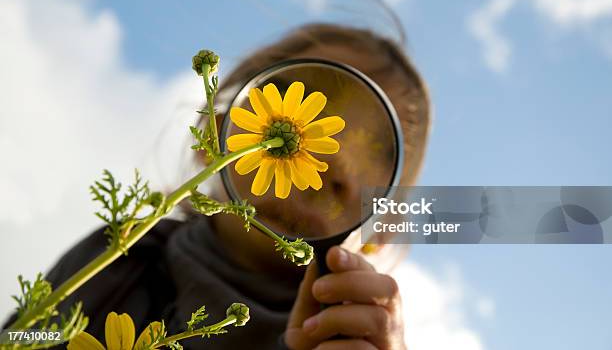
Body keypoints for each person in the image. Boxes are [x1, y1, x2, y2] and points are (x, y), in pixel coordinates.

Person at [2, 22, 430, 349]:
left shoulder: (343, 336)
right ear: (218, 134)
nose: (332, 161)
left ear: (385, 223)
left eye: (376, 150)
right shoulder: (112, 255)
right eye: (289, 94)